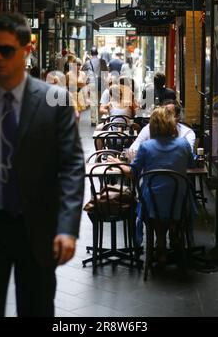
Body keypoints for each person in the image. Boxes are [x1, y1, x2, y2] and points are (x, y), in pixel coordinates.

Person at [0, 12, 85, 317]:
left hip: (36, 226)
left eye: (6, 50)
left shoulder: (55, 100)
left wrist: (67, 229)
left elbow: (72, 166)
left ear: (26, 51)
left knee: (36, 309)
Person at [108, 106, 195, 261]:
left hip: (153, 203)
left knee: (154, 202)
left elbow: (132, 172)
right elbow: (191, 164)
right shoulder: (183, 144)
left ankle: (160, 242)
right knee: (171, 200)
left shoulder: (146, 147)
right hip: (180, 203)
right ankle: (175, 234)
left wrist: (117, 163)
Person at [130, 100, 196, 154]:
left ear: (178, 117)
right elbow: (133, 149)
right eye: (163, 113)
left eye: (168, 114)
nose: (163, 117)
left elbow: (188, 154)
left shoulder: (187, 133)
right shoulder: (149, 128)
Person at [82, 46, 108, 126]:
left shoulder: (87, 62)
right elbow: (106, 72)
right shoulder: (102, 61)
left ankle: (93, 120)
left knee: (93, 102)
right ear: (97, 53)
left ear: (91, 53)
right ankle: (100, 119)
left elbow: (82, 71)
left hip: (92, 82)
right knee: (101, 101)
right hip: (101, 83)